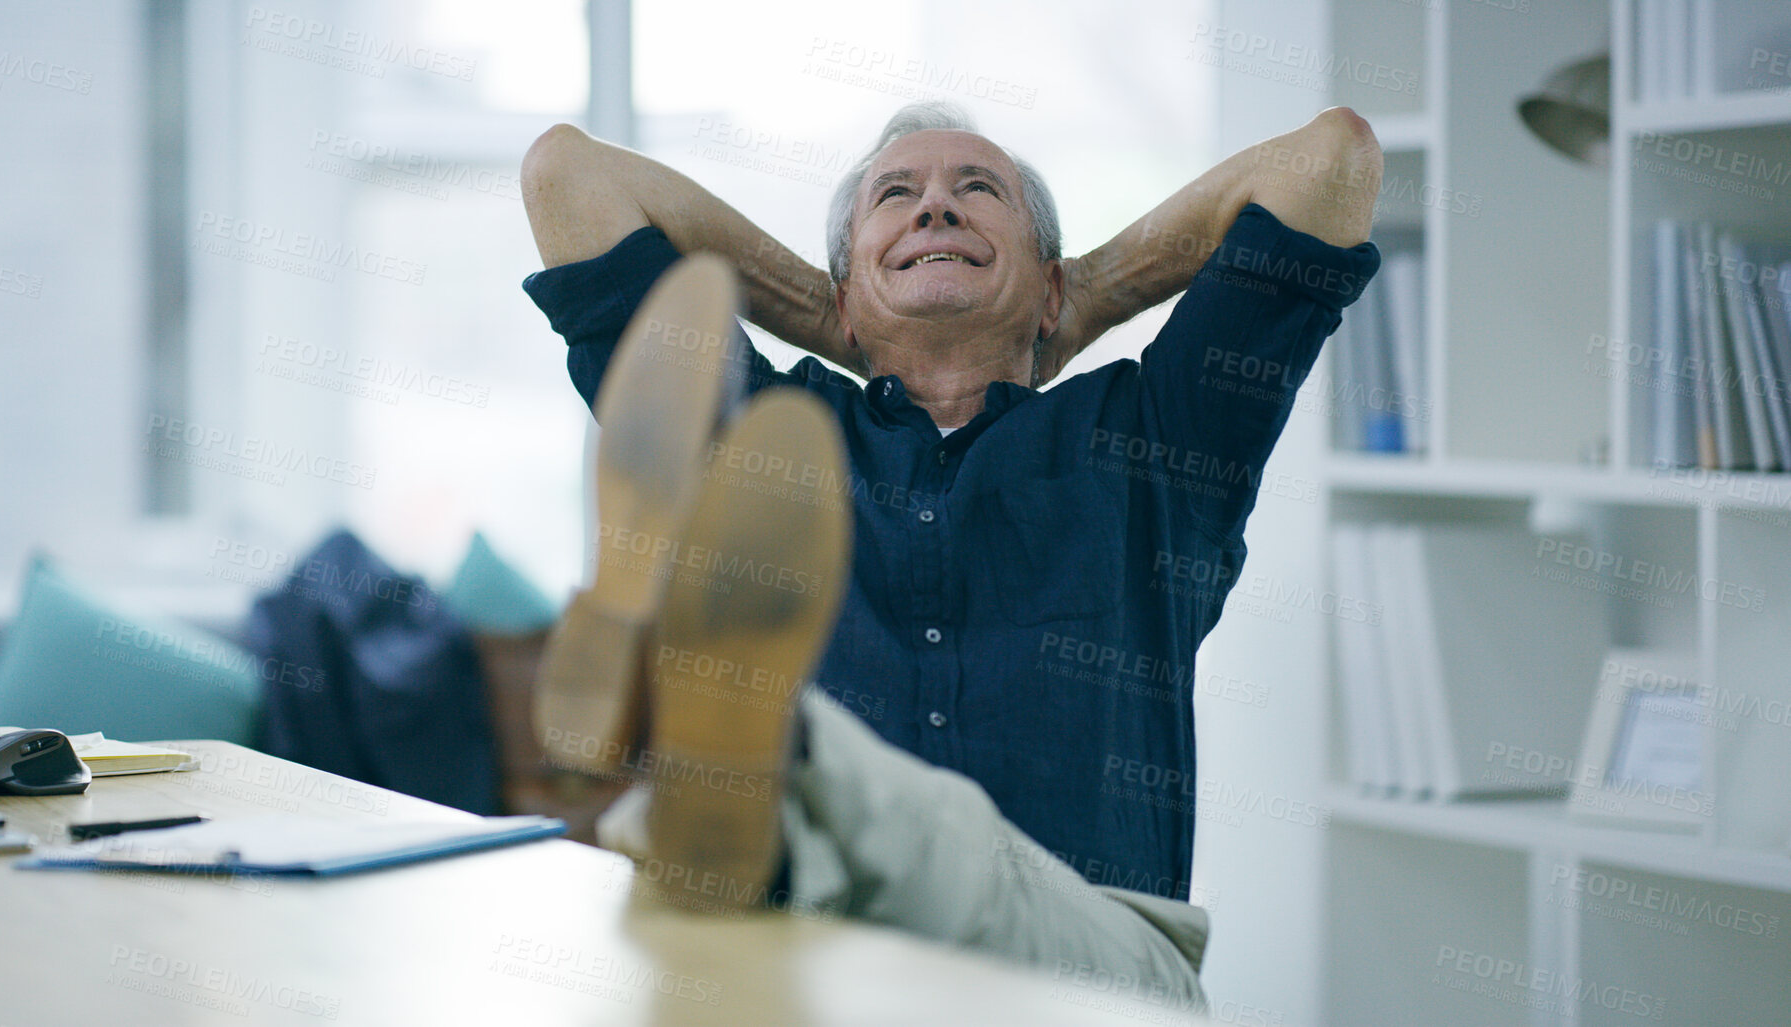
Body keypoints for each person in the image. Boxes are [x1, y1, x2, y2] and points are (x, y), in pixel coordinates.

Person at [518, 101, 1382, 1009]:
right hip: (819, 956)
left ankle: (725, 745)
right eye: (897, 196)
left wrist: (1087, 294)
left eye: (977, 191)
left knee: (795, 813)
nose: (936, 208)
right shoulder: (774, 445)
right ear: (846, 289)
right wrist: (820, 306)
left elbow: (1330, 163)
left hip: (1089, 974)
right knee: (758, 905)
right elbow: (567, 178)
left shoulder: (1159, 439)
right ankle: (738, 785)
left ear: (1046, 285)